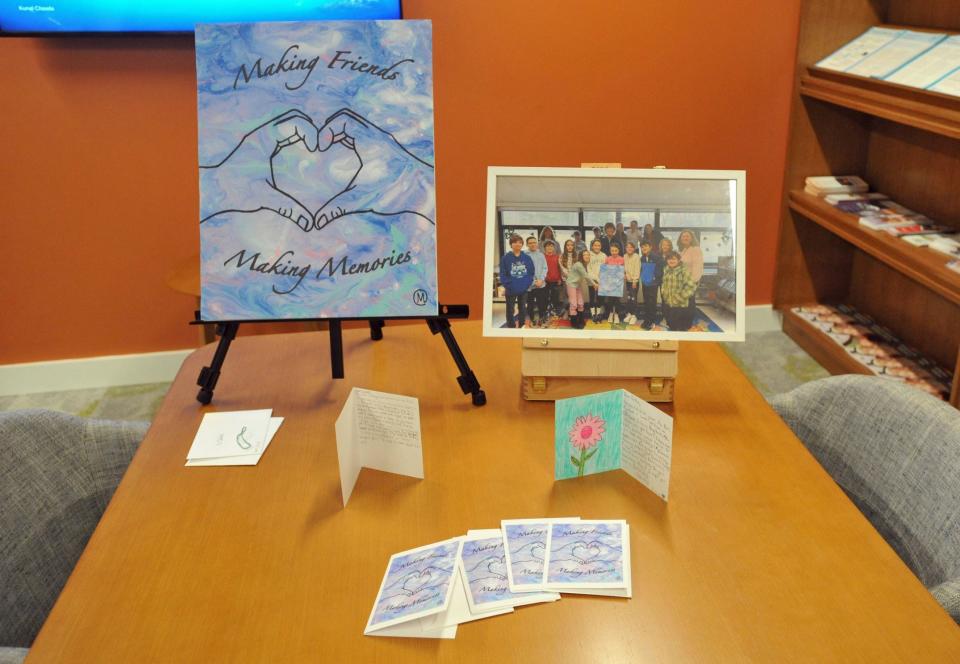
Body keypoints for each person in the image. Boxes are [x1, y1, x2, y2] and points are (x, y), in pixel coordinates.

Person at [499, 234, 534, 328]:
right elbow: (502, 274)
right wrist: (509, 285)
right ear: (511, 244)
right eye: (515, 242)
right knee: (510, 310)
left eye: (520, 242)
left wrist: (527, 284)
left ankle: (522, 325)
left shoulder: (527, 258)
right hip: (511, 289)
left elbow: (531, 273)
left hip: (523, 289)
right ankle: (511, 326)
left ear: (522, 244)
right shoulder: (505, 258)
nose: (517, 244)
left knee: (522, 308)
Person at [660, 250, 697, 331]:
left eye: (674, 259)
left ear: (678, 260)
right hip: (669, 304)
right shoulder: (666, 270)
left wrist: (678, 297)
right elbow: (664, 283)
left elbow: (691, 287)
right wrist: (664, 293)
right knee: (672, 325)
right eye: (669, 259)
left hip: (681, 305)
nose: (671, 261)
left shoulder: (684, 271)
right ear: (667, 260)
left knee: (680, 328)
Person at [677, 229, 704, 320]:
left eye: (687, 236)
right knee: (684, 302)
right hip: (682, 281)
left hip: (690, 282)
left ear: (692, 238)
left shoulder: (696, 249)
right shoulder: (683, 250)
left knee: (689, 302)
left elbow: (698, 267)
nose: (685, 238)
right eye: (683, 236)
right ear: (680, 239)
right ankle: (684, 320)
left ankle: (687, 323)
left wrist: (693, 282)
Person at [638, 240, 663, 329]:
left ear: (650, 247)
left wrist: (653, 277)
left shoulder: (657, 257)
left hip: (653, 283)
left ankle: (651, 320)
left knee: (652, 302)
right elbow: (641, 270)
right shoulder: (642, 258)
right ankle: (647, 319)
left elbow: (659, 270)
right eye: (642, 247)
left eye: (646, 246)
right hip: (645, 282)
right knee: (646, 301)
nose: (644, 248)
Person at [564, 249, 592, 329]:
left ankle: (580, 320)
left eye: (588, 255)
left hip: (577, 285)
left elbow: (586, 276)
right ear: (581, 256)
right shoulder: (579, 264)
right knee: (573, 304)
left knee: (581, 303)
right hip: (571, 284)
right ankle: (574, 322)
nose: (587, 256)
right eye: (584, 255)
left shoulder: (585, 264)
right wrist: (594, 284)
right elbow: (586, 276)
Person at [525, 236, 548, 328]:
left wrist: (541, 280)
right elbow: (524, 270)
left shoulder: (541, 255)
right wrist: (534, 281)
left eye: (534, 242)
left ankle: (542, 319)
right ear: (527, 244)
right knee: (530, 304)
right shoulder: (524, 255)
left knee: (541, 303)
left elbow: (545, 268)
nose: (533, 244)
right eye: (530, 243)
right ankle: (532, 319)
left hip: (541, 284)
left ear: (537, 244)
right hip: (529, 285)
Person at [602, 242, 625, 325]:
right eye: (612, 250)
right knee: (610, 299)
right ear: (610, 251)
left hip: (618, 283)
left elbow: (621, 271)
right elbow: (605, 271)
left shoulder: (622, 259)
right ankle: (611, 314)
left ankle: (616, 314)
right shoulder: (607, 259)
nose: (614, 252)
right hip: (610, 283)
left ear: (618, 251)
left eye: (616, 250)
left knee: (617, 300)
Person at [543, 240, 563, 321]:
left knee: (555, 298)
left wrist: (560, 278)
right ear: (544, 248)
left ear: (554, 248)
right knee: (545, 298)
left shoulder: (558, 257)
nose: (550, 247)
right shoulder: (542, 257)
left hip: (555, 280)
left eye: (551, 246)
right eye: (548, 246)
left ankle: (555, 312)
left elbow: (560, 269)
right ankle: (546, 313)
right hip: (545, 281)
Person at [587, 238, 605, 322]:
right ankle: (593, 314)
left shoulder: (604, 256)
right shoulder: (589, 255)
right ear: (592, 246)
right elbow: (588, 269)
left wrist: (600, 280)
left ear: (601, 246)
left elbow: (605, 269)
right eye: (595, 245)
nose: (597, 247)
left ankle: (598, 314)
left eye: (598, 245)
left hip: (601, 281)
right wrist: (595, 281)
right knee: (592, 298)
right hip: (591, 281)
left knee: (599, 298)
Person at [622, 240, 640, 325]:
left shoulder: (636, 256)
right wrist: (624, 274)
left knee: (633, 298)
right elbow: (623, 267)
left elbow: (637, 269)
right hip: (628, 281)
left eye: (631, 247)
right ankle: (628, 314)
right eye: (627, 247)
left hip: (634, 282)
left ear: (634, 249)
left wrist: (635, 281)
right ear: (625, 248)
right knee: (628, 298)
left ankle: (634, 315)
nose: (629, 249)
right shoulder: (624, 256)